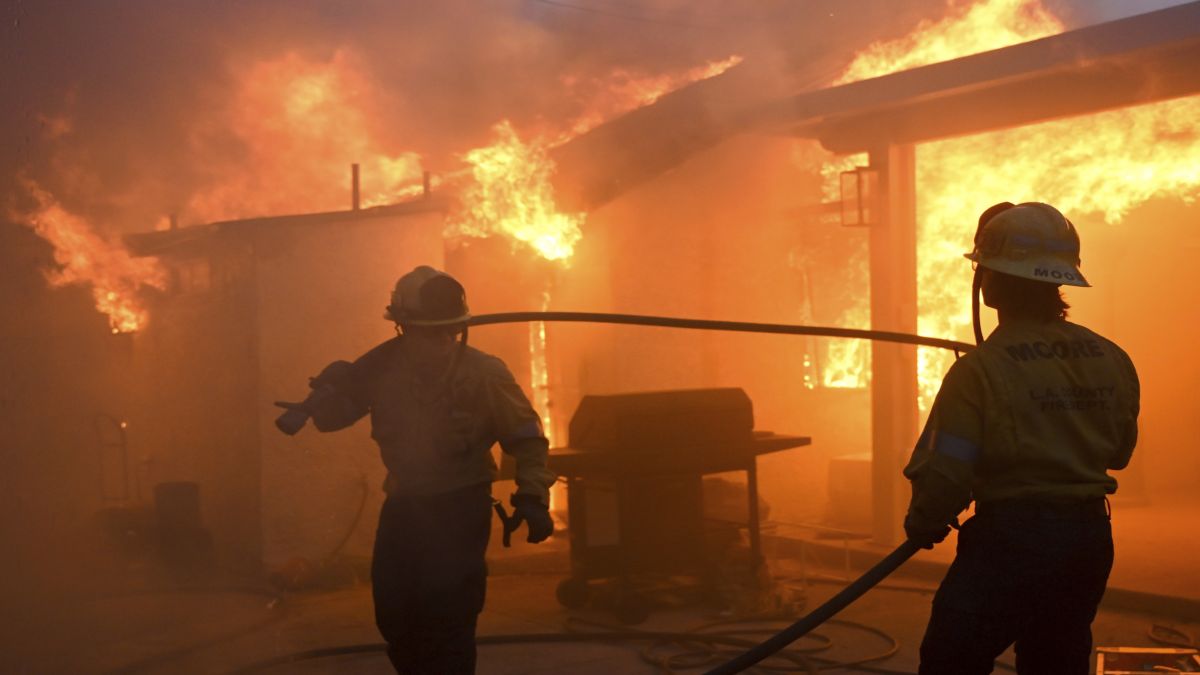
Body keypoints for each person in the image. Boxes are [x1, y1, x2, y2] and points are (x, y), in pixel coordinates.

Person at [275, 265, 556, 674]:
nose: (442, 342)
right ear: (404, 328)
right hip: (406, 503)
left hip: (461, 506)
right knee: (395, 611)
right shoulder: (381, 369)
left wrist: (533, 496)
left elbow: (526, 438)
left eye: (450, 332)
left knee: (450, 617)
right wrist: (328, 392)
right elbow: (334, 419)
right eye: (430, 333)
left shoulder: (484, 373)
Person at [902, 202, 1140, 674]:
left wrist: (925, 519)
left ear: (989, 282)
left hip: (1010, 543)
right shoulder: (1111, 357)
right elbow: (1120, 453)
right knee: (1056, 660)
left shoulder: (979, 372)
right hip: (1087, 541)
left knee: (951, 661)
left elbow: (948, 472)